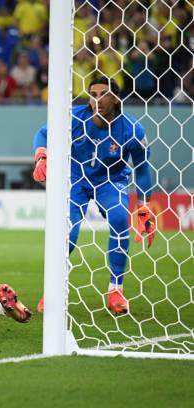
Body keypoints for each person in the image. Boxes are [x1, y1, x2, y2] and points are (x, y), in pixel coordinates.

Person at [32, 76, 155, 315]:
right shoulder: (74, 118)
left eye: (103, 94)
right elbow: (42, 133)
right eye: (93, 94)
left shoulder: (132, 129)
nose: (97, 100)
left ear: (116, 99)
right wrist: (41, 156)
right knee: (67, 232)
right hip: (75, 179)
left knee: (119, 218)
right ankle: (53, 291)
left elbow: (142, 169)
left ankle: (116, 289)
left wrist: (144, 206)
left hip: (111, 180)